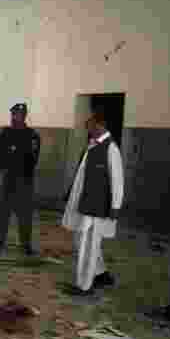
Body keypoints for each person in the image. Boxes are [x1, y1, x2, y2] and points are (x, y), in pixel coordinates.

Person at [61, 110, 124, 296]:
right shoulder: (92, 146)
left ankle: (84, 286)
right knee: (80, 239)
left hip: (97, 206)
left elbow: (117, 180)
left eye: (89, 124)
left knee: (89, 244)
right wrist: (70, 193)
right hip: (85, 201)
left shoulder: (111, 149)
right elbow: (82, 175)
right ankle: (101, 273)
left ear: (100, 125)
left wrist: (115, 207)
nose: (87, 127)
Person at [0, 102, 41, 254]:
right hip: (6, 176)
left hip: (24, 178)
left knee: (24, 211)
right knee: (2, 208)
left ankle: (25, 243)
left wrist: (18, 160)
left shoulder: (32, 135)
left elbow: (34, 157)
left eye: (18, 114)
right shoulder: (4, 132)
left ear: (24, 116)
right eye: (13, 114)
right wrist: (1, 169)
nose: (15, 117)